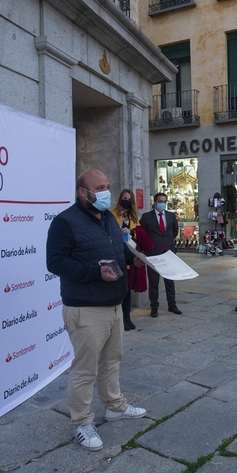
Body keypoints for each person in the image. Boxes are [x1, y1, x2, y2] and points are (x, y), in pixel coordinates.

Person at [46, 169, 146, 451]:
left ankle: (114, 406)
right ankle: (82, 422)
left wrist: (135, 259)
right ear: (83, 192)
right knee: (85, 369)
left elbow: (118, 251)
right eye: (100, 187)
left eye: (108, 186)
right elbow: (55, 263)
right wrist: (94, 272)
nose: (106, 192)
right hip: (86, 309)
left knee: (112, 360)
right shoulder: (65, 222)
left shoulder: (109, 219)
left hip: (114, 304)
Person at [114, 190, 153, 331]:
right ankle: (121, 319)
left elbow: (138, 235)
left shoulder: (133, 218)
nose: (126, 201)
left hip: (130, 256)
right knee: (121, 291)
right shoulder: (112, 215)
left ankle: (127, 317)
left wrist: (131, 232)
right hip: (118, 256)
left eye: (128, 199)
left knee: (128, 290)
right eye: (124, 198)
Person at [139, 193, 182, 317]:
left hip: (168, 252)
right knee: (153, 281)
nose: (162, 203)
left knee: (170, 280)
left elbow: (174, 231)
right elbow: (143, 233)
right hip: (153, 253)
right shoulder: (147, 217)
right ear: (155, 202)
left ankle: (172, 304)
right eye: (160, 201)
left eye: (164, 201)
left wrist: (166, 242)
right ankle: (154, 306)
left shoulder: (170, 216)